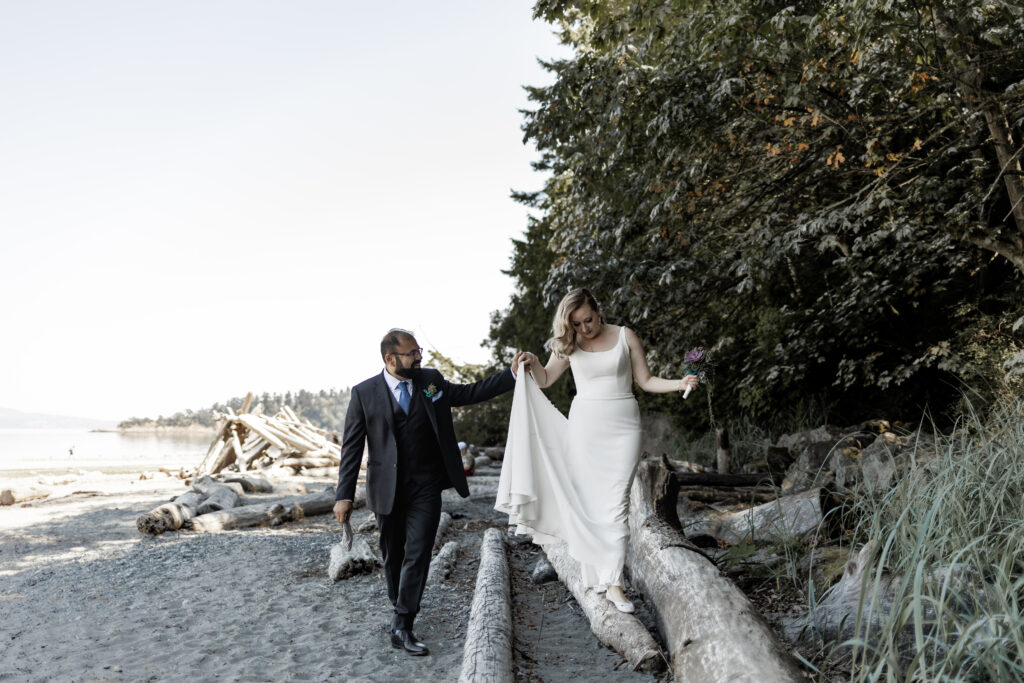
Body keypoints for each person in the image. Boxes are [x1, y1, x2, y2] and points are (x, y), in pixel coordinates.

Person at [497, 288, 699, 613]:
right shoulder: (568, 344)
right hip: (584, 429)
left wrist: (679, 383)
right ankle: (602, 577)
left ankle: (615, 584)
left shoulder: (624, 336)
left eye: (588, 320)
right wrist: (533, 362)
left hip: (624, 428)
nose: (584, 329)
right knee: (591, 504)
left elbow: (645, 381)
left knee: (617, 502)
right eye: (576, 324)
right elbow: (546, 379)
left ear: (598, 309)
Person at [333, 329, 523, 656]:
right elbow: (351, 447)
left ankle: (403, 623)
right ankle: (399, 605)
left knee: (419, 552)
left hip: (426, 486)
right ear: (390, 359)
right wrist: (343, 495)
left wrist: (511, 376)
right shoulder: (364, 393)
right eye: (411, 354)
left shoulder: (430, 381)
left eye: (419, 350)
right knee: (393, 554)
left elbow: (467, 393)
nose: (419, 357)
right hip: (386, 488)